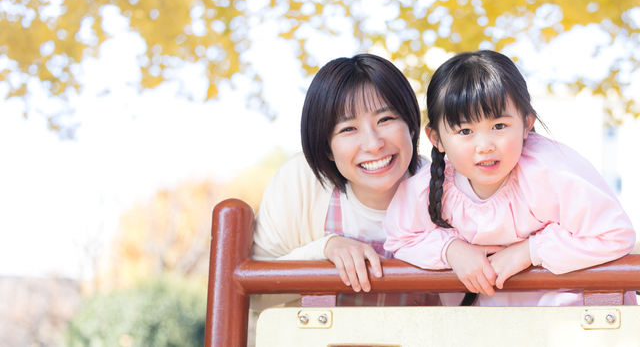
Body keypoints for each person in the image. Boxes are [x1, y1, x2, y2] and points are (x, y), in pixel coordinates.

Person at [383, 50, 636, 307]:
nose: (485, 146)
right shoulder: (427, 188)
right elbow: (399, 237)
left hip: (569, 322)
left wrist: (530, 252)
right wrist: (451, 250)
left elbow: (614, 234)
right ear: (436, 138)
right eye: (465, 131)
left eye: (499, 126)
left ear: (527, 122)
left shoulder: (551, 171)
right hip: (490, 330)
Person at [252, 53, 438, 310]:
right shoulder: (301, 182)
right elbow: (253, 295)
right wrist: (324, 250)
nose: (373, 145)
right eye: (348, 129)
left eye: (385, 119)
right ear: (327, 147)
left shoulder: (445, 190)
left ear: (411, 125)